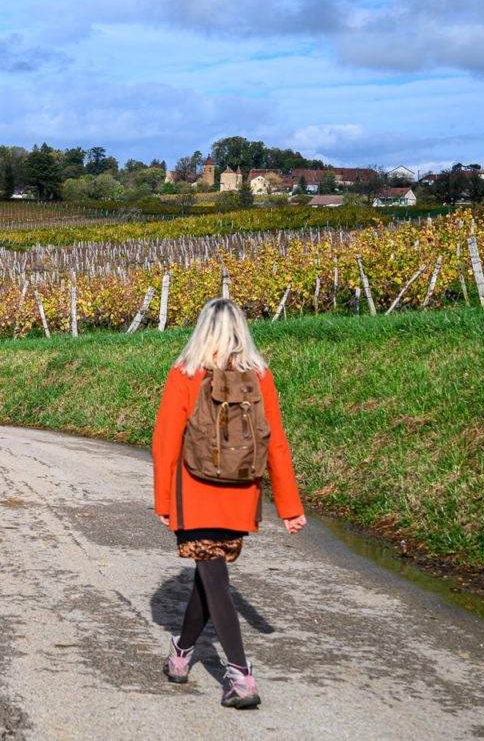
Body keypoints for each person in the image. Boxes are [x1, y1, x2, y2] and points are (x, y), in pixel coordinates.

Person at [152, 298, 307, 709]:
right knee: (211, 577)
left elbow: (166, 442)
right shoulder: (259, 376)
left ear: (203, 329)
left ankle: (240, 676)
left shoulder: (185, 374)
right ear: (241, 329)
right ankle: (181, 655)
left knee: (213, 578)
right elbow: (276, 444)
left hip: (195, 493)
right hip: (241, 495)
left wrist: (164, 500)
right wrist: (289, 506)